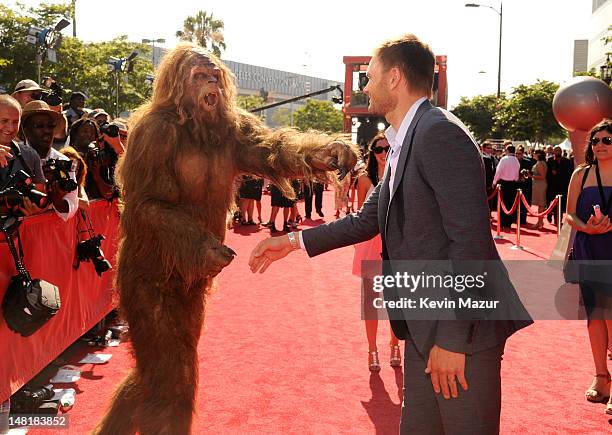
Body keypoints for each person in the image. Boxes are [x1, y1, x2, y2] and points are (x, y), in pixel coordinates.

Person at [250, 34, 531, 434]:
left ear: (395, 78)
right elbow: (367, 220)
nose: (365, 86)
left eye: (371, 77)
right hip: (422, 325)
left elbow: (471, 242)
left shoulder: (438, 133)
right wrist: (292, 242)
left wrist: (452, 338)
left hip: (461, 330)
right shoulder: (404, 141)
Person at [93, 43, 357, 435]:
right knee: (174, 376)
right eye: (199, 77)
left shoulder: (229, 130)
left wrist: (322, 152)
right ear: (176, 85)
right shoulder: (157, 129)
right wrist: (197, 243)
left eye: (214, 76)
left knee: (163, 371)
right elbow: (146, 206)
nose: (210, 83)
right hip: (150, 276)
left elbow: (273, 150)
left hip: (192, 279)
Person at [565, 119, 612, 415]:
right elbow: (569, 214)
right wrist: (589, 228)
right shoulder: (581, 175)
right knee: (596, 317)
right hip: (590, 249)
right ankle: (601, 377)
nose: (600, 145)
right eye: (596, 141)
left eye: (608, 140)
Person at [354, 133, 400, 371]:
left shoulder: (401, 175)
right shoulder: (364, 179)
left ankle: (395, 344)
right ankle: (372, 349)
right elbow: (359, 215)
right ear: (372, 153)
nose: (383, 153)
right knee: (372, 302)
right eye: (379, 149)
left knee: (396, 301)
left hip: (396, 244)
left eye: (387, 148)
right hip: (371, 244)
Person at [20, 100, 79, 221]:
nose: (46, 131)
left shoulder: (63, 162)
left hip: (54, 236)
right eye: (39, 126)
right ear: (25, 130)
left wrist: (57, 199)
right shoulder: (14, 157)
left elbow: (72, 204)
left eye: (50, 126)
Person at [0, 95, 46, 217]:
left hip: (19, 231)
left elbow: (39, 196)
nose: (10, 128)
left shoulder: (30, 155)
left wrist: (34, 210)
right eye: (4, 121)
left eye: (15, 122)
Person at [492, 144, 520, 230]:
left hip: (503, 184)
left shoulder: (504, 159)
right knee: (510, 204)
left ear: (507, 150)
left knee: (502, 203)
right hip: (512, 184)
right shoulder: (516, 160)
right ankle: (508, 223)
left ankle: (502, 222)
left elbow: (498, 171)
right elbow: (517, 173)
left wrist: (494, 182)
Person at [530, 150, 548, 229]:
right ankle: (539, 222)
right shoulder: (540, 162)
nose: (533, 154)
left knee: (541, 204)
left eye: (534, 153)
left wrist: (531, 176)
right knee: (540, 205)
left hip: (540, 185)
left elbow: (542, 176)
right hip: (538, 185)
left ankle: (540, 223)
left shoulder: (540, 163)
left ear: (538, 154)